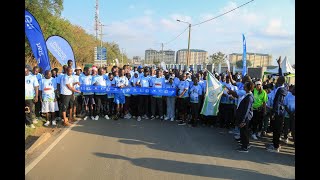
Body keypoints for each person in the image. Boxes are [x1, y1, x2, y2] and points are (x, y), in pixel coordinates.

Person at [266, 56, 288, 153]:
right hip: (277, 111)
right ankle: (275, 143)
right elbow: (281, 75)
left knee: (277, 129)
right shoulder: (281, 86)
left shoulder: (281, 90)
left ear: (280, 82)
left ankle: (276, 147)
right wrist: (279, 65)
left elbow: (277, 102)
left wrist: (274, 112)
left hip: (278, 113)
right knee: (275, 128)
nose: (276, 81)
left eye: (278, 80)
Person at [236, 81, 254, 153]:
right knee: (243, 131)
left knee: (244, 131)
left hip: (245, 118)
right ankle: (244, 144)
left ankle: (245, 147)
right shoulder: (247, 95)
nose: (243, 86)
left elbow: (246, 110)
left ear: (247, 87)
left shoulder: (249, 97)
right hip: (244, 117)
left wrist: (243, 120)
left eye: (245, 86)